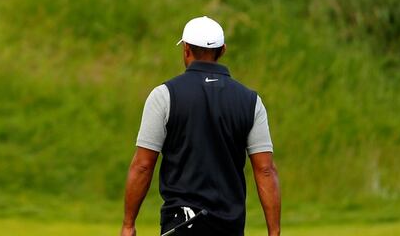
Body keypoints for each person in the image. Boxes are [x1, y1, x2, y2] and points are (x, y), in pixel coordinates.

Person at [120, 16, 281, 236]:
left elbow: (142, 166)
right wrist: (274, 232)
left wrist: (129, 224)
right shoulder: (251, 101)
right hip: (229, 226)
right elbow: (265, 169)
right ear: (222, 50)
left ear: (186, 49)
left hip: (181, 224)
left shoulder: (164, 96)